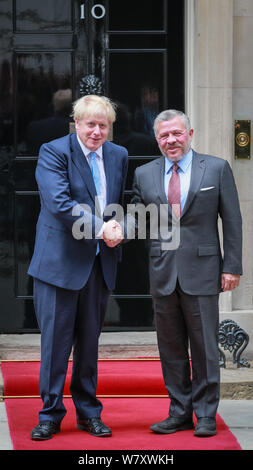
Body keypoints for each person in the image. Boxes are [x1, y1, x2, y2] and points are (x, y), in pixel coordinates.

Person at [130, 109, 242, 437]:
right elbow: (139, 217)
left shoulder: (217, 168)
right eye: (164, 136)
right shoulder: (144, 174)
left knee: (205, 346)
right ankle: (179, 411)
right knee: (170, 347)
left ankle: (206, 413)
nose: (171, 140)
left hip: (204, 270)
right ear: (156, 139)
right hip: (162, 272)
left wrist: (231, 266)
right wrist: (114, 228)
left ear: (190, 134)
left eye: (177, 133)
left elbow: (232, 220)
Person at [28, 94, 127, 440]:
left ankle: (88, 413)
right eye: (90, 125)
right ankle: (50, 414)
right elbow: (59, 203)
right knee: (55, 344)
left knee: (89, 344)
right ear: (76, 123)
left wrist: (119, 228)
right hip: (59, 264)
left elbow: (114, 205)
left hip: (98, 265)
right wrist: (101, 228)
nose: (97, 132)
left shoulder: (118, 155)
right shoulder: (54, 151)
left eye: (103, 125)